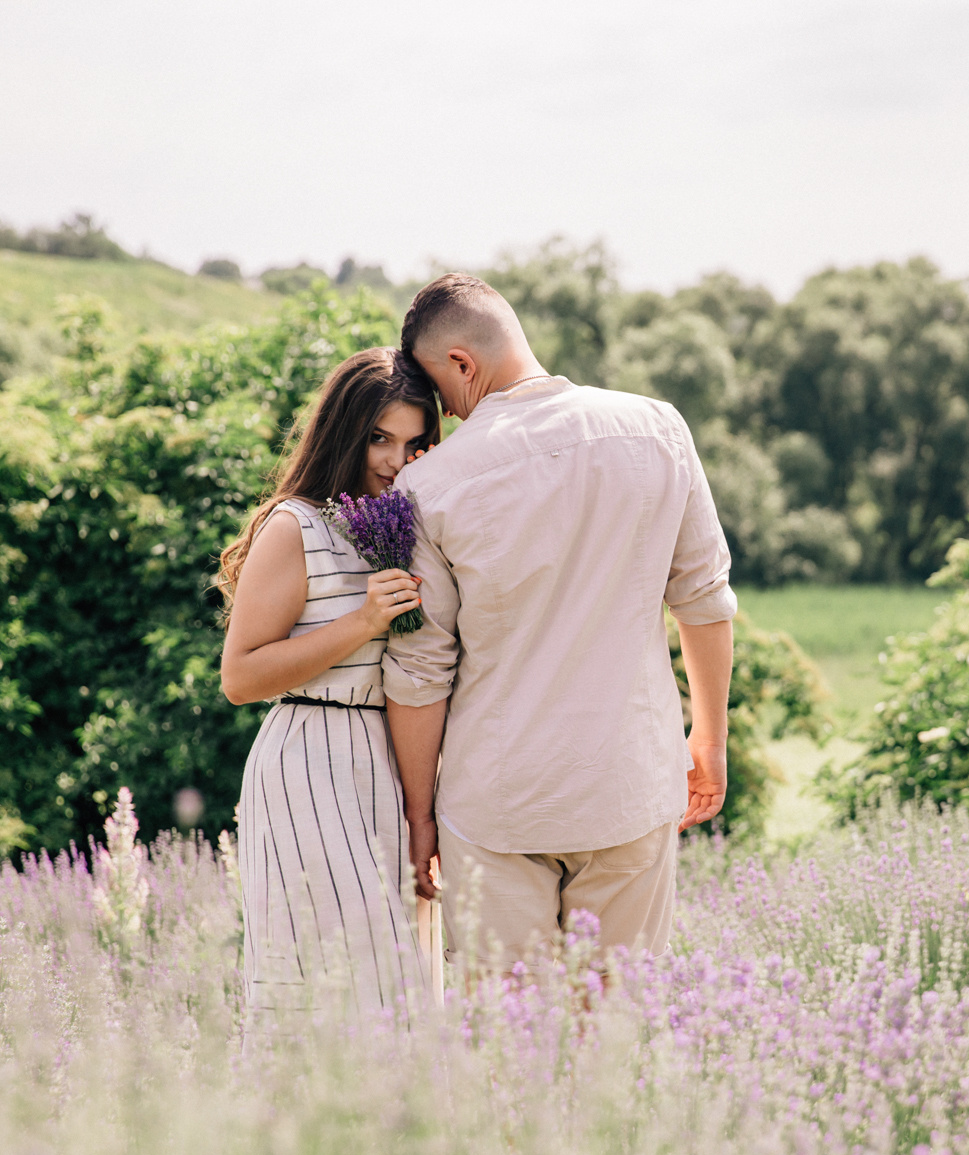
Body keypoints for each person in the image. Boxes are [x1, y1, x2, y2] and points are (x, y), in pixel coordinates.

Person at [384, 273, 736, 967]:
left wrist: (419, 816)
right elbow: (705, 599)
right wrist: (710, 739)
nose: (447, 416)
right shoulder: (658, 428)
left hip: (496, 805)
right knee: (615, 1038)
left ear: (463, 363)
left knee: (510, 1050)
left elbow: (421, 668)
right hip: (629, 785)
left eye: (442, 393)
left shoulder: (426, 486)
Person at [217, 347, 440, 1017]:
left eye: (414, 441)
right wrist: (364, 621)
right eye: (379, 437)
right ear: (345, 430)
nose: (395, 459)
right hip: (308, 760)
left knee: (398, 983)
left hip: (387, 764)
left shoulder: (406, 523)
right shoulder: (296, 525)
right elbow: (241, 674)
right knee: (326, 983)